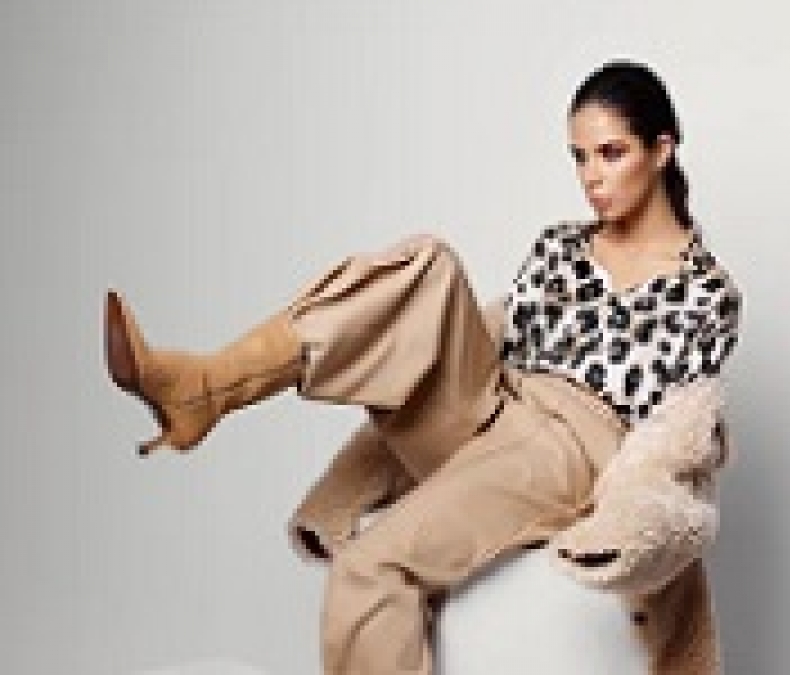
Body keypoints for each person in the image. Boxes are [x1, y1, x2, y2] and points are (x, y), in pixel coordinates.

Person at [103, 59, 743, 675]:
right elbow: (494, 338)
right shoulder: (558, 246)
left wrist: (634, 525)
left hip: (571, 446)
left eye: (611, 154)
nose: (591, 177)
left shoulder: (705, 291)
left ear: (662, 150)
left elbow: (677, 435)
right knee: (429, 263)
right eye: (579, 157)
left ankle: (202, 392)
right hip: (495, 404)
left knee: (368, 569)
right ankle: (205, 386)